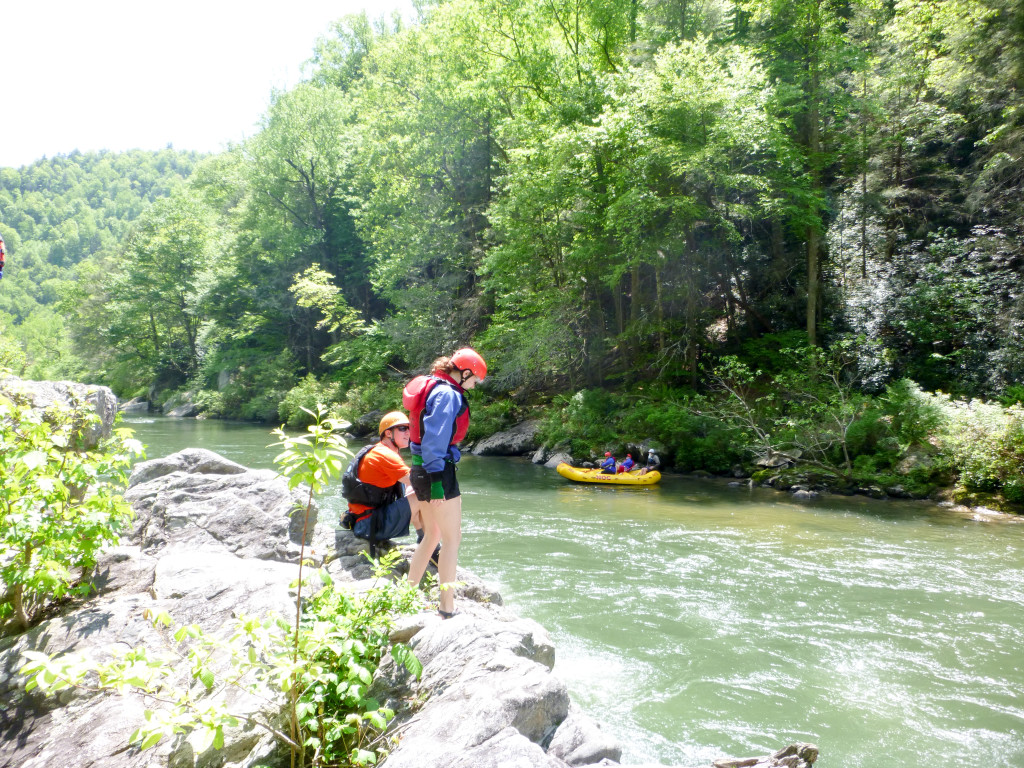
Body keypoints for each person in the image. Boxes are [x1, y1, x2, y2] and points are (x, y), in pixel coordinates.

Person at [405, 347, 487, 619]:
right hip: (437, 473)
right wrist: (439, 482)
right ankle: (447, 607)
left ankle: (406, 595)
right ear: (463, 373)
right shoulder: (448, 394)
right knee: (452, 540)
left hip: (420, 469)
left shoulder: (435, 387)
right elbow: (435, 441)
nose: (474, 385)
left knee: (432, 536)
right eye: (474, 379)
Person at [340, 411, 423, 557]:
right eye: (402, 428)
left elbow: (411, 484)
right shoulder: (385, 454)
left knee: (414, 491)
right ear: (388, 433)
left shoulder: (379, 451)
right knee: (425, 494)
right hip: (370, 525)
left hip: (365, 522)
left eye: (409, 428)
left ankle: (424, 539)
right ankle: (428, 543)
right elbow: (419, 483)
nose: (408, 432)